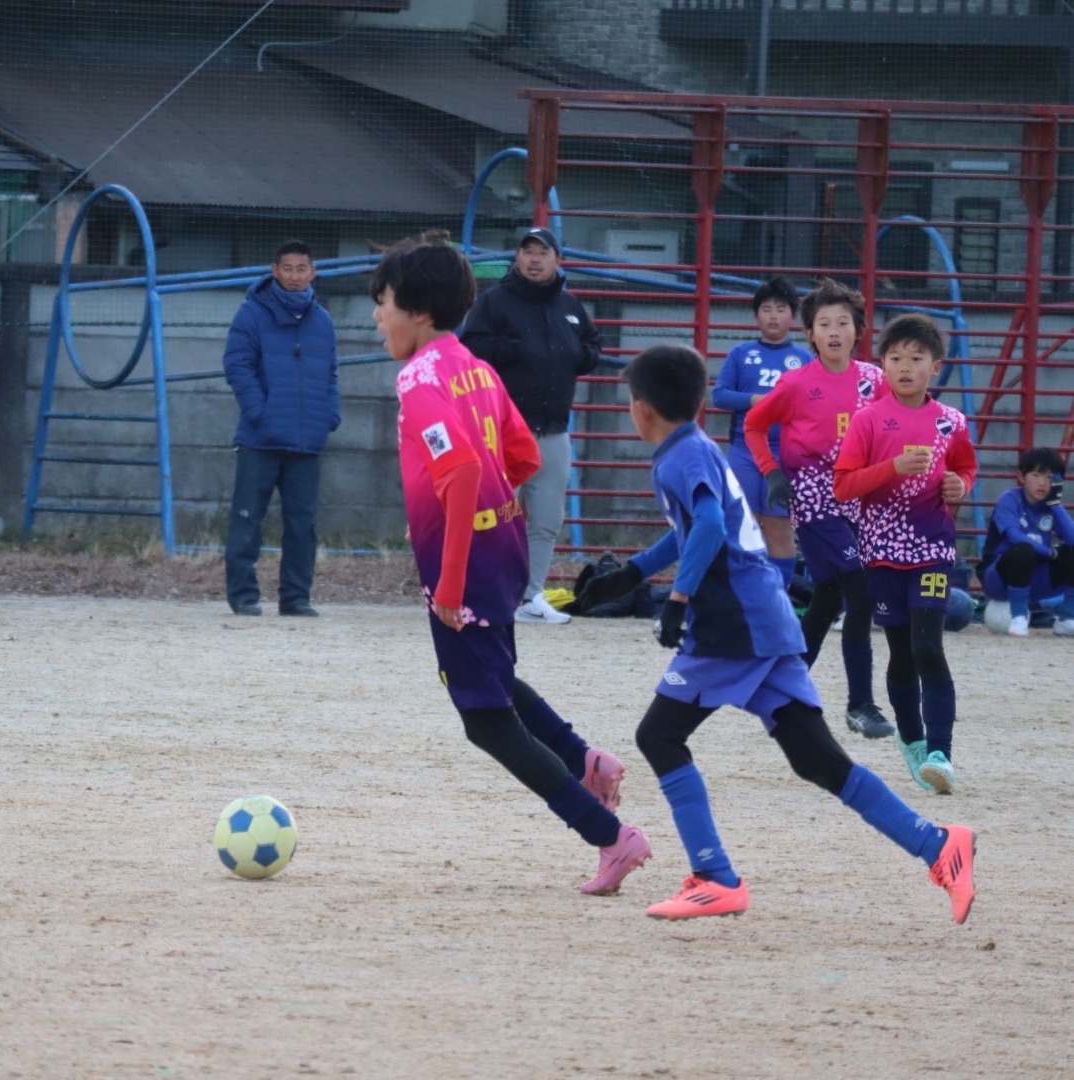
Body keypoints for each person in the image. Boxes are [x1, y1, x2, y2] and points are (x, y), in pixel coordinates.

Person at [576, 343, 975, 923]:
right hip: (766, 619)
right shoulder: (696, 449)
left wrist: (678, 600)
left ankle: (715, 877)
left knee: (659, 737)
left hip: (734, 624)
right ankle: (938, 845)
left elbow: (708, 525)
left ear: (641, 408)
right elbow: (694, 529)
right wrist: (632, 574)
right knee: (818, 761)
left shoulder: (678, 458)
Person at [373, 236, 651, 897]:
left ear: (417, 310)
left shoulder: (419, 378)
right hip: (502, 544)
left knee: (484, 719)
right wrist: (470, 511)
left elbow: (462, 469)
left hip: (465, 562)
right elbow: (521, 455)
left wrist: (448, 581)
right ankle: (587, 760)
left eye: (382, 303)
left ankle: (610, 836)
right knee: (494, 679)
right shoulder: (475, 367)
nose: (377, 316)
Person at [742, 279, 892, 739]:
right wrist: (771, 472)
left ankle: (779, 694)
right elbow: (753, 425)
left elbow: (892, 428)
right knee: (861, 590)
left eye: (842, 323)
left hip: (859, 495)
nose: (833, 331)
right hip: (812, 496)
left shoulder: (874, 380)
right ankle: (861, 705)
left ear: (858, 330)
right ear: (809, 333)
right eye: (824, 324)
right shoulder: (796, 382)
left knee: (827, 598)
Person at [835, 315, 979, 794]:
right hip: (880, 555)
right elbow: (843, 486)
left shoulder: (951, 421)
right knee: (901, 654)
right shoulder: (867, 420)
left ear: (934, 367)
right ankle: (913, 741)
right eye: (895, 357)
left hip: (932, 550)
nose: (904, 366)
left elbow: (965, 468)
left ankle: (941, 754)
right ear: (882, 364)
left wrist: (960, 485)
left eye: (916, 358)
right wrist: (892, 467)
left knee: (927, 648)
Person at [460, 226, 601, 626]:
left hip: (554, 430)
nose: (534, 259)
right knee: (493, 517)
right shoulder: (495, 301)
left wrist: (580, 354)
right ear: (517, 258)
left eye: (543, 252)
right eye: (527, 252)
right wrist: (516, 348)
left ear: (558, 259)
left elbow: (592, 345)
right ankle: (482, 595)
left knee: (547, 519)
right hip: (503, 430)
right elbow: (470, 348)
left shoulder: (570, 305)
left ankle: (530, 596)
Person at [222, 240, 340, 617]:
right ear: (274, 271)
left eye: (301, 268)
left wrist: (330, 415)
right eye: (287, 268)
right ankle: (243, 595)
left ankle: (296, 597)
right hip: (260, 439)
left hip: (307, 441)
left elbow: (331, 375)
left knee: (302, 524)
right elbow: (237, 366)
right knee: (247, 519)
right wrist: (260, 412)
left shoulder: (323, 321)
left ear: (313, 273)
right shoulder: (251, 314)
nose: (294, 276)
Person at [711, 277, 808, 585]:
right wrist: (756, 400)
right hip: (744, 451)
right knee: (744, 525)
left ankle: (781, 597)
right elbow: (719, 396)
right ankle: (744, 594)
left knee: (780, 525)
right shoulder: (741, 353)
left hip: (787, 455)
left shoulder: (806, 359)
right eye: (766, 309)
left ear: (793, 316)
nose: (773, 316)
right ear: (756, 316)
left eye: (781, 309)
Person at [978, 447, 1074, 637]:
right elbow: (1015, 537)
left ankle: (1067, 618)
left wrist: (1055, 505)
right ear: (1021, 477)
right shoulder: (1010, 499)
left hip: (1035, 577)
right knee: (1023, 549)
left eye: (1049, 477)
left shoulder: (1051, 506)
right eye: (1036, 475)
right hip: (998, 578)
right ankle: (1018, 617)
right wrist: (1050, 553)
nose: (1042, 483)